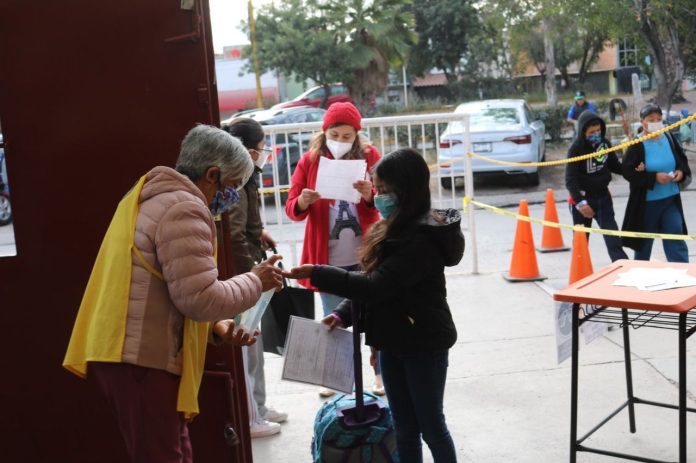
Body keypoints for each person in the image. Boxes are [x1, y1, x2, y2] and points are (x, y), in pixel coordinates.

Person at [63, 125, 284, 463]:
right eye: (232, 187)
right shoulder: (185, 208)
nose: (232, 197)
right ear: (212, 174)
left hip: (129, 352)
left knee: (174, 450)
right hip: (140, 357)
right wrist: (256, 280)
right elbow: (199, 299)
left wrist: (217, 328)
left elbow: (162, 287)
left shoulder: (151, 195)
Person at [284, 148, 464, 463]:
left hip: (424, 343)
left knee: (431, 426)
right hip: (392, 342)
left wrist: (318, 272)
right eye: (376, 188)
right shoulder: (389, 227)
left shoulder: (421, 237)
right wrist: (341, 314)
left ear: (405, 191)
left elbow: (377, 285)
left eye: (383, 190)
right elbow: (375, 283)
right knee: (403, 426)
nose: (376, 196)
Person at [285, 101, 384, 398]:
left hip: (364, 252)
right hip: (326, 254)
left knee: (375, 316)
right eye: (335, 134)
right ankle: (334, 376)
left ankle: (379, 373)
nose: (340, 141)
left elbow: (385, 198)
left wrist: (370, 196)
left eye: (347, 136)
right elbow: (292, 208)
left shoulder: (371, 157)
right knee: (332, 316)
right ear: (324, 132)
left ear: (357, 135)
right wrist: (304, 200)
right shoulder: (309, 161)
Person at [222, 118, 288, 438]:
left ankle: (259, 407)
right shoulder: (235, 179)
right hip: (243, 276)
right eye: (261, 149)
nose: (263, 155)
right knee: (246, 346)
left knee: (254, 345)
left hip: (250, 270)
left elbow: (245, 225)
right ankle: (250, 416)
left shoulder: (246, 176)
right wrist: (252, 276)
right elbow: (233, 234)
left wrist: (258, 232)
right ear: (249, 151)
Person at [621, 103, 691, 262]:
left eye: (659, 119)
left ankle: (681, 275)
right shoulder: (636, 144)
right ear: (642, 121)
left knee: (675, 236)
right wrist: (653, 177)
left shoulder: (668, 136)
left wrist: (681, 171)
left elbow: (681, 159)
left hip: (671, 199)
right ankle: (640, 276)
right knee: (643, 246)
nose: (656, 122)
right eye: (651, 119)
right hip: (647, 204)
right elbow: (627, 171)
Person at [565, 111, 628, 262]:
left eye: (598, 131)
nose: (596, 134)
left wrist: (632, 167)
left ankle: (622, 266)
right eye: (592, 132)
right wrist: (580, 202)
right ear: (583, 132)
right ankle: (579, 274)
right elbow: (570, 180)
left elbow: (616, 167)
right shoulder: (576, 149)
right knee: (581, 242)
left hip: (603, 198)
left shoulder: (604, 144)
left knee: (613, 238)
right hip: (583, 201)